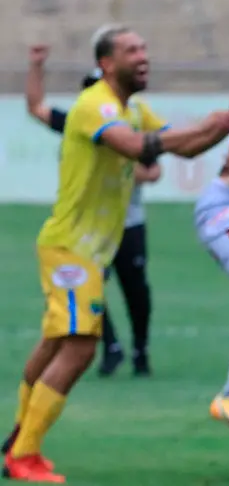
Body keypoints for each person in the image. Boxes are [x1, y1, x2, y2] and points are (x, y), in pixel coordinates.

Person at [2, 28, 229, 483]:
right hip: (72, 248)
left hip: (89, 249)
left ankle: (17, 440)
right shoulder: (95, 106)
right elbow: (137, 147)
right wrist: (208, 125)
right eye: (132, 50)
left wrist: (228, 121)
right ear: (107, 64)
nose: (144, 56)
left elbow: (182, 147)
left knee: (55, 344)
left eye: (145, 48)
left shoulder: (133, 108)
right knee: (81, 346)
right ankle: (23, 453)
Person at [23, 45, 160, 378]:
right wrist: (36, 66)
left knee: (136, 288)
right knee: (91, 290)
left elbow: (153, 170)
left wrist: (124, 169)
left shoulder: (130, 121)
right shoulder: (78, 121)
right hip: (84, 230)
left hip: (127, 223)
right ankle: (110, 346)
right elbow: (37, 108)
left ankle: (140, 350)